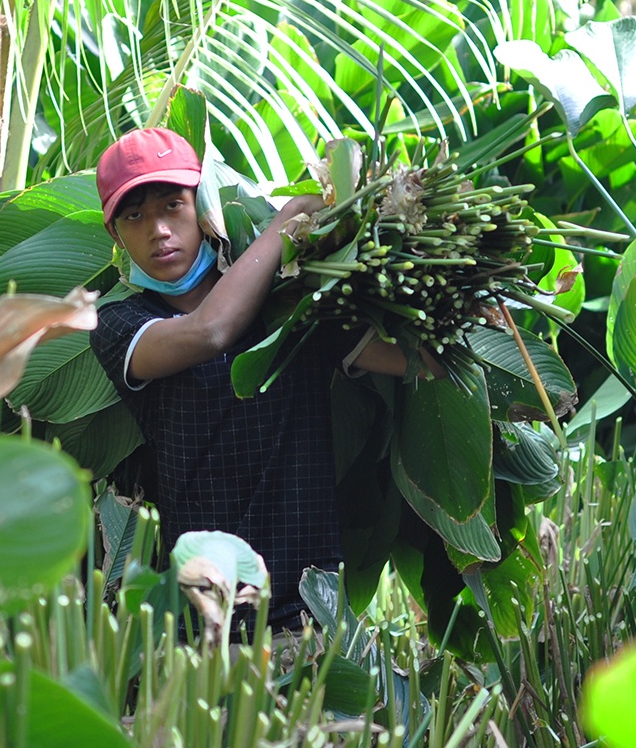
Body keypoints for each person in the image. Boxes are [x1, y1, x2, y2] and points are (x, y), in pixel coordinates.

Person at [89, 127, 424, 636]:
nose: (158, 229)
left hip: (310, 610)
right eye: (135, 216)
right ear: (115, 235)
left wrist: (463, 318)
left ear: (200, 207)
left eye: (172, 206)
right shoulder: (119, 325)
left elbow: (413, 359)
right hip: (205, 622)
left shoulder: (289, 300)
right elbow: (212, 330)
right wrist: (287, 222)